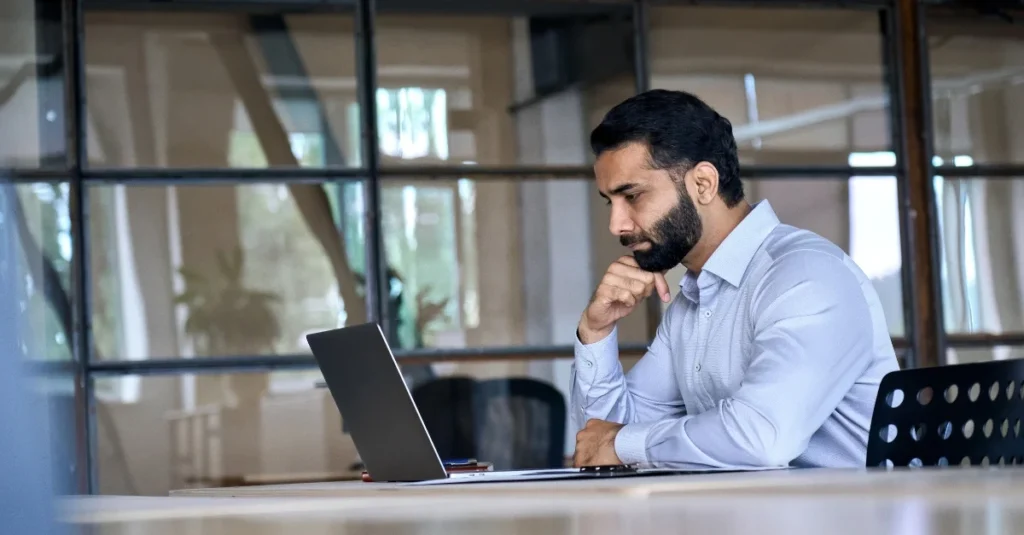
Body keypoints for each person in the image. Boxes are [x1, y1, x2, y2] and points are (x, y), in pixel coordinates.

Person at [570, 89, 899, 469]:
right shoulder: (691, 304)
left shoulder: (806, 277)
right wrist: (596, 331)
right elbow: (603, 440)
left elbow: (761, 439)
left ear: (704, 184)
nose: (617, 225)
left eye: (633, 196)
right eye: (610, 202)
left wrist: (622, 443)